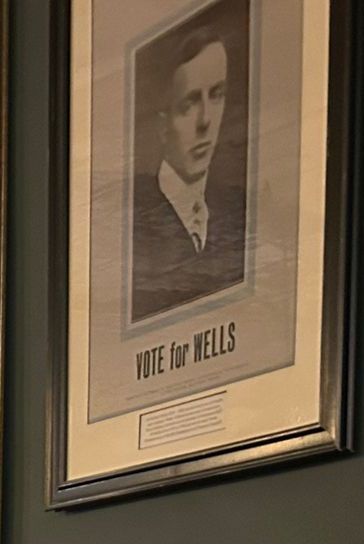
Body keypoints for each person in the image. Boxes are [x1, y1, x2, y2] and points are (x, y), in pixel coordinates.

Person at [130, 26, 246, 324]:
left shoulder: (241, 213)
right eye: (190, 103)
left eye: (217, 95)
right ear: (162, 126)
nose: (206, 121)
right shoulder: (132, 221)